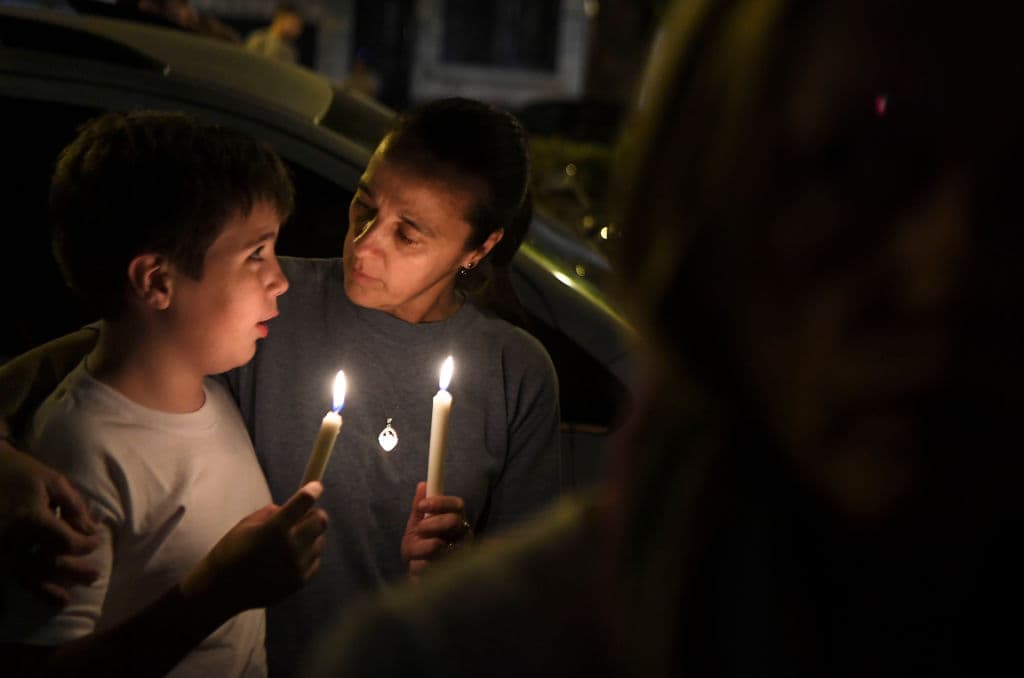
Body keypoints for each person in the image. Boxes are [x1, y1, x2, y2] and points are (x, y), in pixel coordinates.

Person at [305, 1, 1024, 676]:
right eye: (866, 162)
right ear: (705, 196)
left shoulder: (512, 372)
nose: (949, 271)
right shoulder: (473, 650)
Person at [0, 97, 561, 676]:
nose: (364, 245)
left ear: (479, 247)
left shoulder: (513, 372)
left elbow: (536, 595)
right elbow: (96, 364)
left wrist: (464, 569)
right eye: (364, 204)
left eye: (408, 234)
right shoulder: (262, 302)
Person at [0, 111, 329, 677]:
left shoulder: (214, 389)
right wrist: (217, 593)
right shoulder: (80, 457)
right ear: (156, 282)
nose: (280, 279)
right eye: (257, 254)